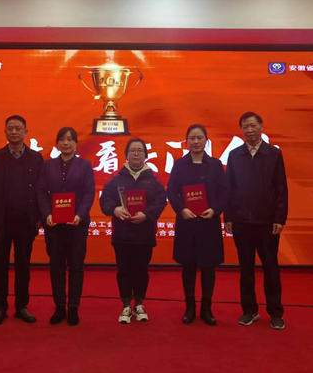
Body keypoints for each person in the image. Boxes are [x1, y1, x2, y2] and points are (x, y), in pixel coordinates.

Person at [225, 112, 288, 330]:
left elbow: (281, 188)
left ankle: (275, 312)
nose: (249, 130)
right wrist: (228, 217)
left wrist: (280, 217)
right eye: (245, 127)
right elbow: (229, 189)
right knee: (246, 269)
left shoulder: (273, 154)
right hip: (241, 221)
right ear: (241, 130)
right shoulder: (234, 155)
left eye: (253, 126)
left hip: (267, 222)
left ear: (261, 126)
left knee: (271, 267)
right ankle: (249, 310)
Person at [0, 115, 44, 326]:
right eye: (10, 128)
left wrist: (39, 217)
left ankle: (21, 306)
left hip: (26, 221)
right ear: (5, 132)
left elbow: (41, 190)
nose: (14, 132)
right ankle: (0, 308)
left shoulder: (36, 158)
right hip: (1, 221)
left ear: (26, 132)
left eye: (18, 128)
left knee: (23, 266)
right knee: (0, 266)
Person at [100, 138, 167, 324]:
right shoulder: (116, 179)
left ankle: (139, 303)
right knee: (124, 270)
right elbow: (105, 200)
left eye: (140, 151)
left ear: (145, 155)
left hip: (144, 234)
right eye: (132, 151)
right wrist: (115, 209)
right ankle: (125, 305)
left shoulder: (153, 179)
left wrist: (146, 214)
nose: (136, 154)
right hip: (122, 234)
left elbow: (161, 200)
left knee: (142, 270)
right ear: (126, 155)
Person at [167, 124, 228, 325]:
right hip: (187, 223)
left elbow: (224, 192)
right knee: (188, 267)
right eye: (192, 138)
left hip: (208, 223)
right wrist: (181, 209)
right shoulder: (179, 165)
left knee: (208, 267)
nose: (195, 142)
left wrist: (215, 210)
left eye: (199, 138)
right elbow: (172, 191)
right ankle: (190, 307)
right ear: (186, 142)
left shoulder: (215, 165)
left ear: (206, 141)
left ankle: (207, 308)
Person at [37, 127, 95, 326]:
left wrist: (80, 215)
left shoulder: (85, 165)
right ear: (57, 144)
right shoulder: (47, 166)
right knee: (56, 267)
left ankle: (73, 308)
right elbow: (41, 192)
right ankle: (60, 306)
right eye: (62, 139)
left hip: (77, 225)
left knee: (76, 267)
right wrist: (47, 214)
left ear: (76, 144)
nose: (66, 143)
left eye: (70, 139)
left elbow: (89, 193)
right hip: (54, 226)